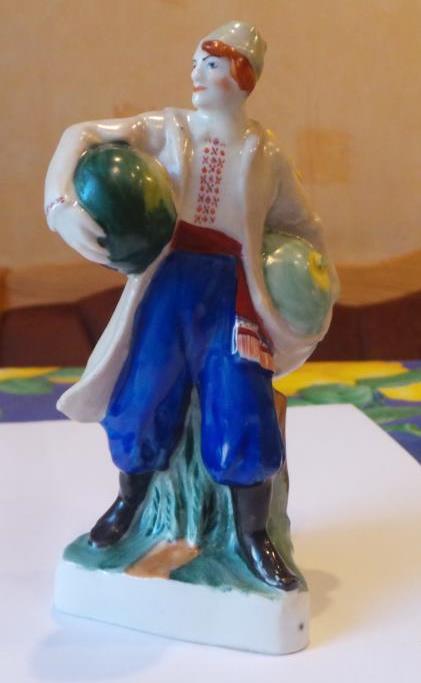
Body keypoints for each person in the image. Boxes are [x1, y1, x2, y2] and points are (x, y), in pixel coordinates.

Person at [45, 21, 337, 591]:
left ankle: (253, 536)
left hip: (231, 292)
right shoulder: (169, 128)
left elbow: (302, 225)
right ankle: (129, 503)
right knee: (140, 396)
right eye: (197, 63)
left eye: (212, 64)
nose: (196, 74)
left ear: (243, 77)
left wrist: (310, 280)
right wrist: (61, 205)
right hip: (169, 284)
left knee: (243, 406)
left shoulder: (266, 154)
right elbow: (82, 134)